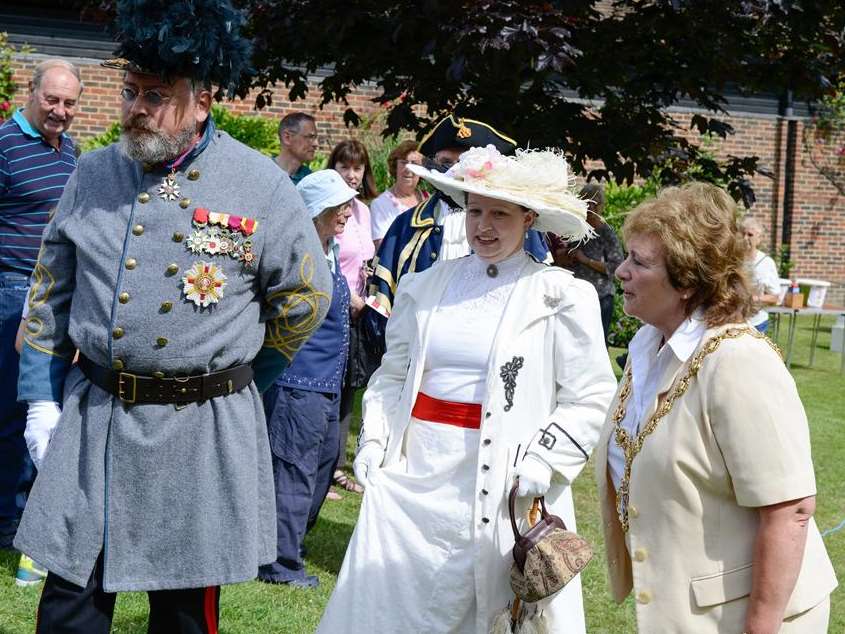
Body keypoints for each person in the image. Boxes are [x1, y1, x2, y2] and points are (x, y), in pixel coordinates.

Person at [13, 1, 332, 631]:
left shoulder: (259, 183)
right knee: (68, 606)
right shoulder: (94, 172)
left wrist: (241, 380)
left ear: (203, 100)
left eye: (155, 96)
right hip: (95, 423)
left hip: (201, 433)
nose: (135, 108)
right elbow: (50, 290)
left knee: (184, 617)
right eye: (131, 91)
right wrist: (40, 400)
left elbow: (305, 298)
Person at [317, 144, 617, 633]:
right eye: (475, 210)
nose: (484, 225)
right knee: (399, 605)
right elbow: (393, 376)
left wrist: (547, 460)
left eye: (500, 213)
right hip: (416, 475)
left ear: (529, 218)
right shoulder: (426, 286)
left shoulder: (560, 294)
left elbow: (590, 394)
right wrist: (374, 440)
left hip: (504, 478)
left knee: (491, 604)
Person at [594, 183, 837, 633]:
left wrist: (759, 627)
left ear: (686, 282)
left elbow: (791, 509)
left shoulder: (739, 362)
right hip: (687, 611)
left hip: (752, 616)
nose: (621, 270)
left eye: (639, 262)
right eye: (627, 256)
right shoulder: (649, 344)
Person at [0, 58, 82, 586]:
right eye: (52, 100)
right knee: (15, 408)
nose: (60, 111)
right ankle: (10, 522)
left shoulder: (70, 151)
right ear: (31, 94)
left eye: (69, 103)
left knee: (43, 406)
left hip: (53, 296)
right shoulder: (4, 145)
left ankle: (23, 518)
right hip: (9, 292)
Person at [364, 115, 550, 348]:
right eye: (444, 162)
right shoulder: (405, 225)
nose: (451, 172)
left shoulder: (519, 229)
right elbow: (381, 301)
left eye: (460, 163)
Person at [259, 169, 355, 588]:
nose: (346, 213)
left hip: (326, 382)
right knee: (293, 471)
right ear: (316, 212)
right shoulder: (299, 254)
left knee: (323, 463)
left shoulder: (328, 250)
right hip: (299, 382)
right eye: (338, 207)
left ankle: (291, 544)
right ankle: (280, 562)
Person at [326, 140, 377, 495]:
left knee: (347, 392)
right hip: (331, 308)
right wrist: (350, 296)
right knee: (325, 390)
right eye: (345, 167)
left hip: (357, 312)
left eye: (357, 168)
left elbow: (364, 258)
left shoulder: (363, 210)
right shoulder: (327, 207)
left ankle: (335, 466)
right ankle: (317, 467)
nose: (352, 174)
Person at [549, 182, 623, 343]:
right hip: (573, 296)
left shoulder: (606, 233)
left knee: (596, 343)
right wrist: (565, 257)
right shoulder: (575, 231)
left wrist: (586, 260)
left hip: (600, 297)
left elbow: (617, 269)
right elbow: (560, 259)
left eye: (593, 204)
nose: (589, 209)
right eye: (586, 203)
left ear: (601, 207)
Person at [369, 139, 426, 249]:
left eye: (414, 163)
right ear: (395, 166)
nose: (408, 169)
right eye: (404, 163)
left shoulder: (429, 199)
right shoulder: (380, 204)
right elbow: (382, 247)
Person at [742, 216, 780, 333]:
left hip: (757, 323)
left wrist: (756, 298)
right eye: (742, 234)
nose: (745, 238)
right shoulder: (733, 259)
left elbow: (775, 297)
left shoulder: (767, 263)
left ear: (759, 239)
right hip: (733, 321)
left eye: (750, 235)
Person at [276, 112, 318, 184]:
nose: (316, 144)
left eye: (315, 138)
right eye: (310, 137)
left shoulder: (311, 180)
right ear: (287, 138)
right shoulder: (264, 171)